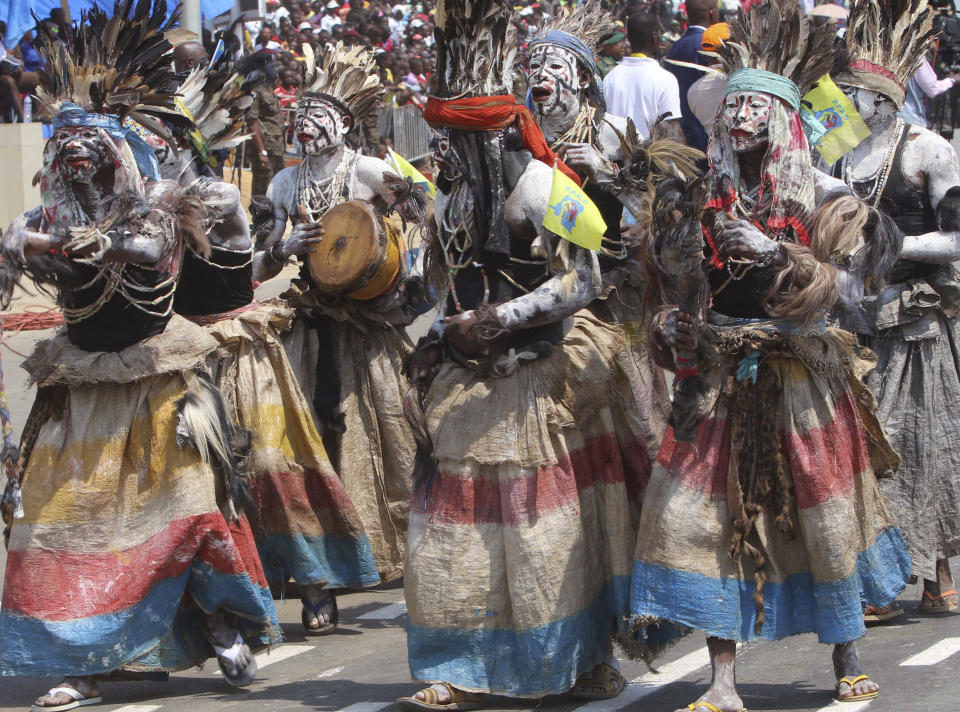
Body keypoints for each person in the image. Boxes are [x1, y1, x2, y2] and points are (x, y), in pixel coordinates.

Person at [629, 2, 912, 711]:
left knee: (822, 517)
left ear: (783, 122)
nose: (741, 118)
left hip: (800, 382)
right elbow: (677, 290)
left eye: (758, 108)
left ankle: (847, 653)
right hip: (721, 380)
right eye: (735, 107)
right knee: (704, 521)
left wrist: (783, 254)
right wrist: (668, 324)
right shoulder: (699, 200)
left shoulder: (823, 194)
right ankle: (722, 681)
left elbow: (863, 287)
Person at [0, 5, 279, 708]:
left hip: (160, 385)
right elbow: (12, 271)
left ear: (121, 145)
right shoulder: (44, 219)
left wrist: (82, 244)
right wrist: (16, 248)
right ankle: (83, 659)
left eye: (90, 141)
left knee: (187, 512)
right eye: (65, 144)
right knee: (64, 526)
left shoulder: (157, 202)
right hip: (83, 388)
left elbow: (150, 249)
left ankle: (217, 620)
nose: (76, 154)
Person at [396, 2, 652, 708]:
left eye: (456, 135)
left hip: (544, 365)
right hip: (465, 374)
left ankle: (578, 654)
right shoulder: (446, 199)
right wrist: (437, 333)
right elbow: (438, 283)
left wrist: (501, 318)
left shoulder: (541, 183)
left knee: (550, 530)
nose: (443, 149)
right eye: (438, 133)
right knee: (447, 529)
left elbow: (591, 274)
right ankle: (448, 666)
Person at [256, 43, 427, 586]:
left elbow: (424, 210)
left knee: (390, 424)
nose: (305, 126)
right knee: (315, 423)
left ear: (345, 123)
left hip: (372, 318)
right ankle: (324, 546)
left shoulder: (371, 170)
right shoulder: (284, 185)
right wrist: (286, 249)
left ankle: (400, 538)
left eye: (317, 117)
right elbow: (257, 267)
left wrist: (405, 251)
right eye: (299, 117)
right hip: (314, 316)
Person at [833, 0, 960, 619]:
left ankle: (936, 572)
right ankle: (880, 579)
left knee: (922, 444)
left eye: (853, 91)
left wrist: (897, 245)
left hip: (915, 321)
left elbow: (957, 238)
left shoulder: (929, 149)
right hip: (856, 322)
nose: (845, 100)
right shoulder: (839, 155)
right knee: (866, 448)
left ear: (882, 97)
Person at [526, 3, 679, 503]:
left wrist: (608, 172)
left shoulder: (610, 131)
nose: (540, 76)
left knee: (629, 413)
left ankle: (637, 507)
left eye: (553, 67)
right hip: (536, 289)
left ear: (583, 77)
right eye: (534, 66)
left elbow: (654, 207)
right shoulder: (516, 136)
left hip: (608, 292)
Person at [603, 12, 683, 139]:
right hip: (652, 158)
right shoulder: (665, 79)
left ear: (628, 37)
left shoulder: (609, 79)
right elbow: (672, 130)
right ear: (654, 37)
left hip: (615, 158)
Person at [664, 0, 718, 149]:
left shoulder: (676, 46)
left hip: (684, 131)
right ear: (712, 13)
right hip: (709, 132)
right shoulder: (709, 46)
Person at [246, 49, 287, 202]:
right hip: (265, 149)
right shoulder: (256, 92)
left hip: (276, 148)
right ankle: (259, 222)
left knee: (277, 187)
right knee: (262, 189)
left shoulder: (269, 91)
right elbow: (252, 122)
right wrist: (261, 152)